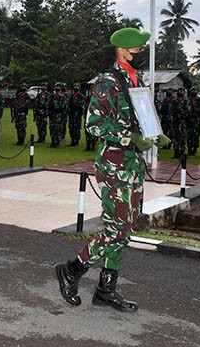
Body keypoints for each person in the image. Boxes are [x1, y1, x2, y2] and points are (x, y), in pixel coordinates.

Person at [54, 28, 170, 312]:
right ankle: (72, 269)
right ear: (122, 51)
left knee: (126, 227)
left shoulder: (135, 80)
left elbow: (139, 118)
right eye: (138, 51)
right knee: (116, 227)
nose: (142, 54)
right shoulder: (107, 82)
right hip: (114, 162)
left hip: (132, 164)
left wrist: (155, 133)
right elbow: (94, 125)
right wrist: (130, 139)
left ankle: (106, 289)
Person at [47, 82, 67, 148]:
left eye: (58, 87)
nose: (57, 88)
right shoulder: (52, 96)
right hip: (52, 115)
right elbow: (48, 105)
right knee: (52, 129)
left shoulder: (62, 97)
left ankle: (57, 143)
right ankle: (52, 142)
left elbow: (63, 106)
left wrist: (57, 107)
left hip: (58, 115)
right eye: (56, 87)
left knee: (57, 129)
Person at [171, 87, 189, 158]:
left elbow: (188, 111)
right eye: (179, 91)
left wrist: (181, 113)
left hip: (183, 122)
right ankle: (176, 152)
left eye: (182, 91)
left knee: (182, 137)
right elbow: (171, 110)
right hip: (175, 121)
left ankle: (182, 152)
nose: (180, 92)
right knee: (175, 137)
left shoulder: (186, 101)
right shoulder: (174, 101)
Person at [186, 86, 200, 156]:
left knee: (196, 135)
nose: (194, 92)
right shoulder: (187, 100)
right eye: (193, 90)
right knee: (189, 135)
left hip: (197, 120)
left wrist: (194, 109)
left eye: (196, 90)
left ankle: (195, 149)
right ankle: (189, 149)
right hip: (189, 120)